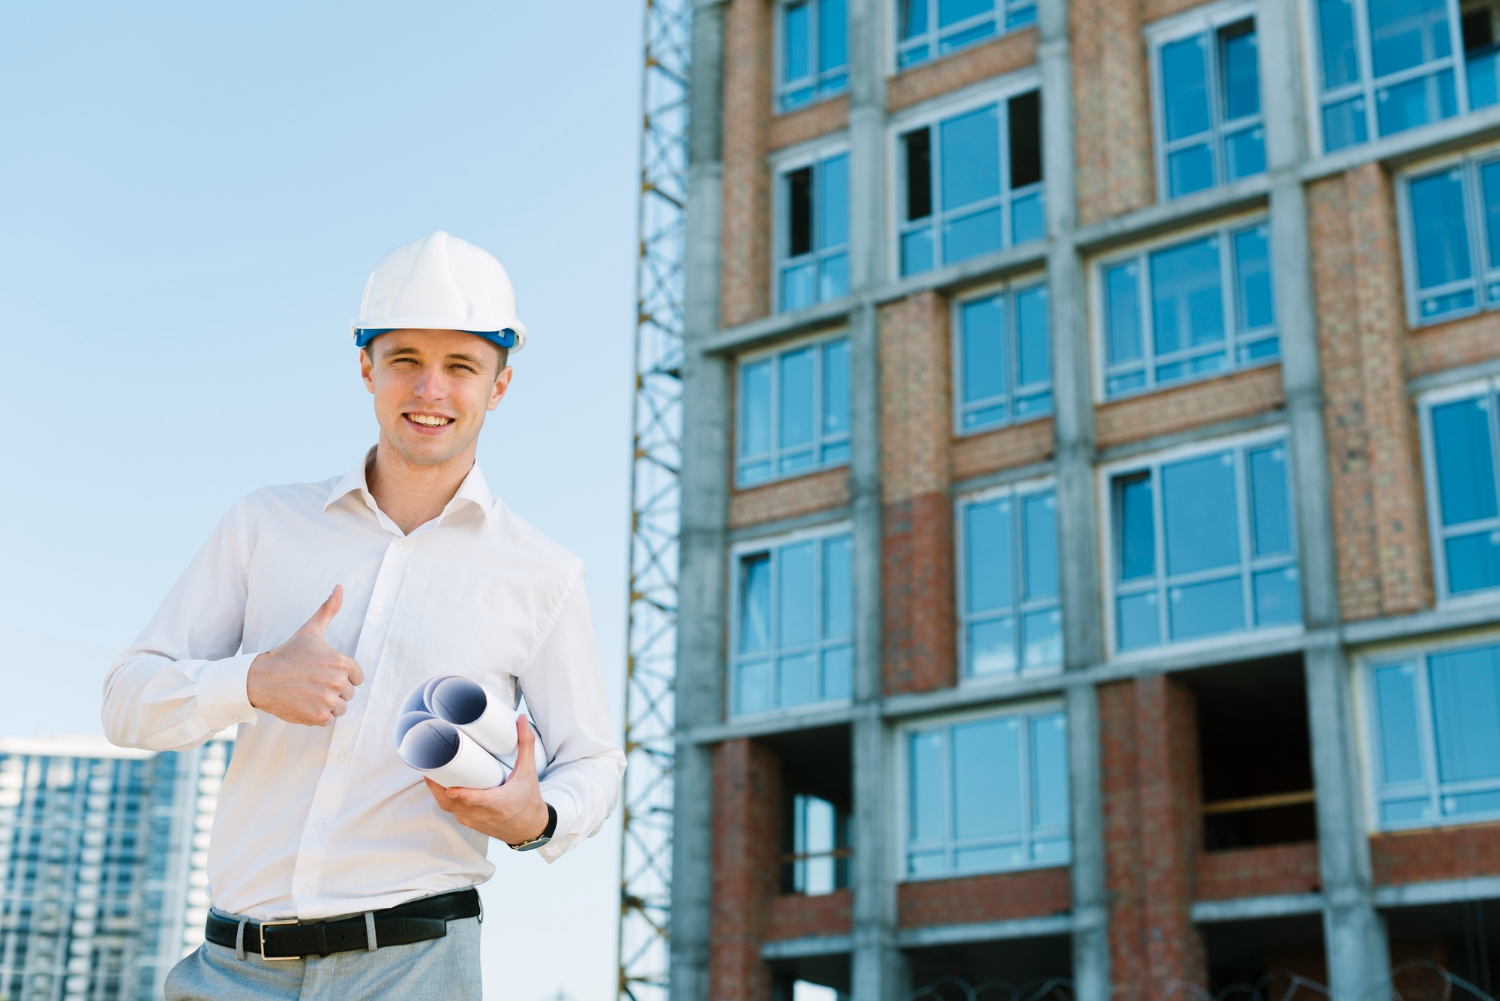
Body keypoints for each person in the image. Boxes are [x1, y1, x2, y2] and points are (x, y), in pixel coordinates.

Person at [102, 231, 626, 1000]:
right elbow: (125, 702)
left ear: (500, 385)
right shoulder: (264, 525)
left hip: (413, 963)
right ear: (366, 369)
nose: (430, 390)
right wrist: (251, 681)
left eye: (461, 367)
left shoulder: (542, 574)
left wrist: (537, 817)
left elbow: (594, 760)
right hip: (230, 966)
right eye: (406, 359)